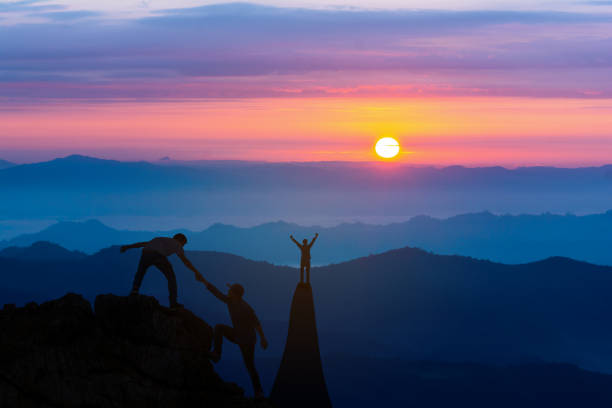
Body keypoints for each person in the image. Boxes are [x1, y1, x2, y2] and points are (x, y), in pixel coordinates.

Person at [196, 275, 268, 399]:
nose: (227, 293)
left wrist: (262, 338)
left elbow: (257, 323)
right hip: (238, 335)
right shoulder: (230, 301)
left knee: (250, 366)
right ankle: (217, 354)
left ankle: (259, 392)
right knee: (219, 328)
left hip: (247, 340)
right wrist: (204, 281)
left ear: (235, 294)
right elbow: (217, 293)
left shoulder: (246, 308)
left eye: (230, 291)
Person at [120, 233, 200, 309]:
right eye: (184, 243)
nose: (183, 246)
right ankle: (173, 303)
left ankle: (134, 291)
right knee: (171, 278)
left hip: (146, 253)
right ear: (180, 240)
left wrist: (127, 247)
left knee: (140, 272)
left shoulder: (161, 239)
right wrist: (195, 272)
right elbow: (184, 260)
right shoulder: (177, 244)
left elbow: (142, 244)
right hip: (158, 256)